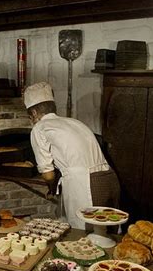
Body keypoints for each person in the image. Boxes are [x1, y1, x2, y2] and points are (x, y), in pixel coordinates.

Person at [24, 82, 120, 229]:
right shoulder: (74, 122)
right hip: (110, 179)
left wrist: (51, 189)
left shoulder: (40, 128)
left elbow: (48, 174)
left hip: (87, 184)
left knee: (85, 238)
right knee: (108, 234)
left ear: (34, 113)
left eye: (30, 115)